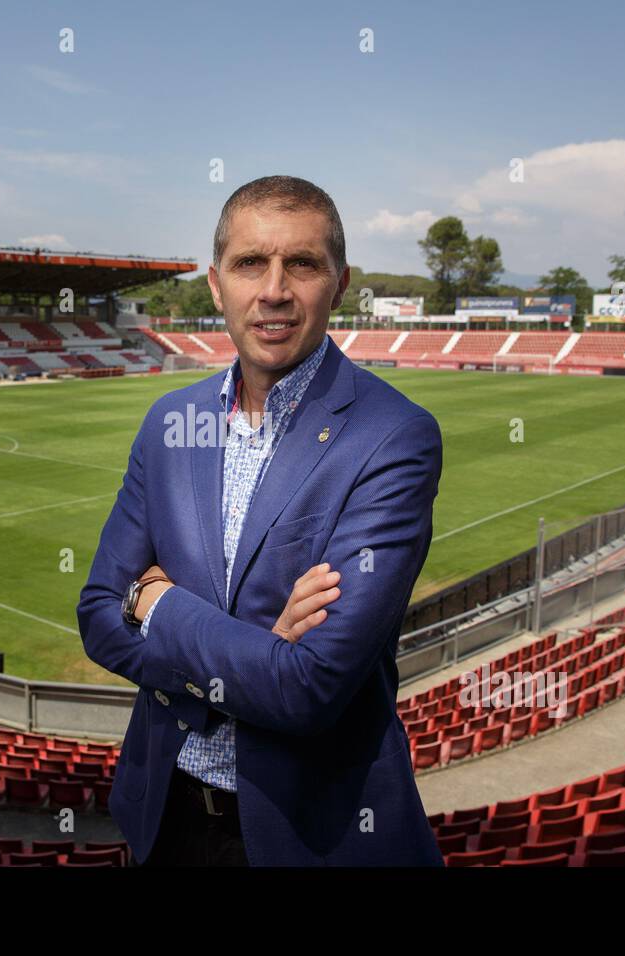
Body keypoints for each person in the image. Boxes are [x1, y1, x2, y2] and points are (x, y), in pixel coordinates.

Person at [77, 175, 444, 866]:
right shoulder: (169, 423)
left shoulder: (394, 436)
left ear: (339, 284)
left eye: (301, 264)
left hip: (311, 836)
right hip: (165, 818)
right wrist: (259, 655)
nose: (274, 289)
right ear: (217, 285)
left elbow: (309, 688)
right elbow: (98, 614)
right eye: (251, 263)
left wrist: (156, 602)